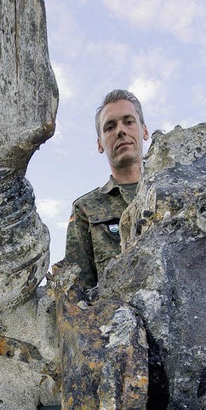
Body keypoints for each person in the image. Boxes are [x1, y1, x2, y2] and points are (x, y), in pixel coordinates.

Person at [65, 89, 149, 288]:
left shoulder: (171, 193)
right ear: (100, 144)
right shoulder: (86, 209)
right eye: (110, 127)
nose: (121, 130)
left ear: (144, 131)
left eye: (128, 122)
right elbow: (78, 293)